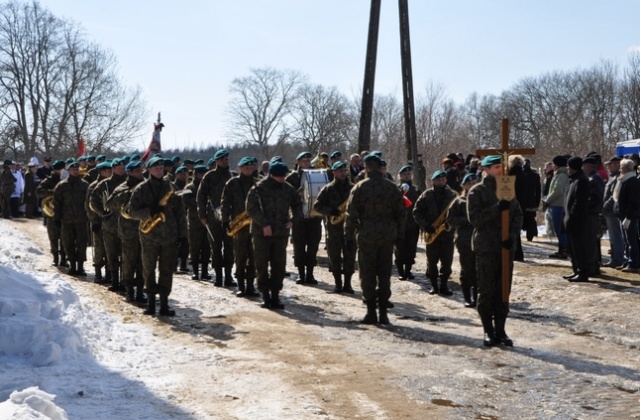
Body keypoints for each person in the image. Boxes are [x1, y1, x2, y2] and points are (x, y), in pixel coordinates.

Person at [467, 155, 523, 347]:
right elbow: (475, 219)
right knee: (486, 289)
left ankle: (501, 329)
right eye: (496, 167)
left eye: (502, 166)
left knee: (503, 290)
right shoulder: (477, 191)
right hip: (487, 248)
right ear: (486, 169)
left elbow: (517, 216)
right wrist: (496, 208)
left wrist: (512, 237)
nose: (500, 170)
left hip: (505, 248)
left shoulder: (506, 188)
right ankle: (488, 330)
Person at [345, 154, 406, 325]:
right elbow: (401, 214)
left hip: (367, 237)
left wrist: (348, 235)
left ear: (366, 168)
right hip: (387, 238)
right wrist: (400, 236)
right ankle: (384, 314)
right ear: (380, 167)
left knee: (367, 273)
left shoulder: (359, 187)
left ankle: (371, 312)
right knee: (385, 273)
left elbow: (351, 215)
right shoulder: (392, 188)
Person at [127, 156, 188, 316]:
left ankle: (164, 304)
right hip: (149, 237)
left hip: (170, 236)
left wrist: (183, 235)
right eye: (156, 168)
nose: (159, 170)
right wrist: (149, 211)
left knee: (166, 270)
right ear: (148, 170)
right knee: (148, 269)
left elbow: (180, 213)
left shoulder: (171, 187)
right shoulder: (141, 189)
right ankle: (151, 303)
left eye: (161, 168)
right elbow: (131, 211)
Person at [246, 160, 302, 309]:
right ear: (271, 175)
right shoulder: (258, 188)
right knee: (262, 265)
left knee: (279, 265)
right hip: (261, 233)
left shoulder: (288, 188)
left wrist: (292, 221)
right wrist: (264, 224)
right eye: (279, 177)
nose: (282, 179)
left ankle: (276, 296)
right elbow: (251, 209)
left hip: (280, 233)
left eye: (284, 176)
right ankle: (265, 295)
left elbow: (297, 206)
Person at [107, 160, 147, 303]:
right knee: (129, 261)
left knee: (143, 262)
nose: (140, 173)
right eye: (136, 171)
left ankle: (141, 290)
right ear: (129, 172)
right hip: (128, 230)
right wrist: (130, 193)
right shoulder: (122, 188)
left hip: (146, 229)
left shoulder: (147, 186)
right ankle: (129, 291)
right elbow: (109, 204)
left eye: (140, 170)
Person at [413, 170, 458, 296]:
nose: (441, 182)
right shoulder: (426, 195)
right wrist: (426, 225)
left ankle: (444, 285)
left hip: (447, 234)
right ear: (433, 181)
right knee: (432, 261)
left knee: (447, 261)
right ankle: (434, 285)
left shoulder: (453, 195)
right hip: (432, 234)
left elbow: (459, 213)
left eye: (443, 179)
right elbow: (416, 212)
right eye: (438, 180)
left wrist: (451, 224)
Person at [313, 160, 356, 293]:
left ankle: (347, 284)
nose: (343, 173)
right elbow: (317, 206)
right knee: (334, 256)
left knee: (350, 255)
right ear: (334, 173)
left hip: (350, 228)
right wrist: (330, 210)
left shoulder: (353, 188)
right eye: (340, 171)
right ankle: (338, 283)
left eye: (344, 170)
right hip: (334, 228)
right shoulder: (328, 189)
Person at [221, 157, 260, 297]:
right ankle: (241, 286)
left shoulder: (258, 183)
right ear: (240, 168)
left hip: (255, 224)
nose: (249, 170)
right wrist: (225, 220)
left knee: (253, 255)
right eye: (246, 168)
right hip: (239, 225)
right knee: (240, 255)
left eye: (251, 168)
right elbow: (225, 202)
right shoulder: (232, 183)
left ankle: (251, 285)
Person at [197, 149, 237, 287]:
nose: (226, 161)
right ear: (217, 161)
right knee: (215, 246)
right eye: (223, 159)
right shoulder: (209, 176)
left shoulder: (233, 176)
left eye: (227, 159)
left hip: (229, 217)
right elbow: (201, 196)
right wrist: (202, 215)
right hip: (213, 217)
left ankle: (228, 276)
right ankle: (218, 276)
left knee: (229, 246)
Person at [90, 158, 127, 291]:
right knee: (111, 254)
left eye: (123, 167)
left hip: (127, 227)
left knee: (126, 255)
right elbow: (93, 201)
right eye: (118, 167)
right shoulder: (104, 185)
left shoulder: (130, 183)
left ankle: (125, 282)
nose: (121, 169)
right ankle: (114, 280)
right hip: (110, 225)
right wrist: (101, 213)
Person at [286, 151, 323, 285]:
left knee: (313, 246)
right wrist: (298, 194)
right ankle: (301, 275)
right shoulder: (292, 177)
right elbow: (285, 196)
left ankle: (310, 274)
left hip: (314, 217)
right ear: (298, 162)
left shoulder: (317, 175)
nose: (306, 163)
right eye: (303, 161)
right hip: (299, 218)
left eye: (308, 161)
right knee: (299, 247)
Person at [447, 173, 478, 308]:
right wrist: (466, 221)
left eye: (474, 183)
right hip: (465, 240)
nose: (471, 185)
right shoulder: (459, 202)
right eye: (469, 183)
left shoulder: (481, 200)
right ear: (463, 185)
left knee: (479, 270)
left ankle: (477, 298)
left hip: (480, 240)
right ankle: (467, 297)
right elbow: (450, 220)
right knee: (467, 269)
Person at [53, 161, 90, 276]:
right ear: (68, 171)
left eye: (77, 169)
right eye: (73, 169)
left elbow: (88, 202)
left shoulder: (84, 185)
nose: (75, 171)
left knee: (81, 244)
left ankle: (81, 267)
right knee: (68, 244)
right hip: (66, 220)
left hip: (81, 220)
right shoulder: (62, 185)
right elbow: (57, 203)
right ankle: (72, 266)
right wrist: (57, 218)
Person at [562, 157, 591, 282]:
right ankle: (576, 270)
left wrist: (572, 216)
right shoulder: (572, 179)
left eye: (569, 166)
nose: (567, 168)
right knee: (573, 248)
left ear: (573, 167)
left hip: (577, 220)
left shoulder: (581, 180)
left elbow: (579, 202)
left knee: (580, 247)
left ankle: (583, 272)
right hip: (570, 219)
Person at [36, 160, 67, 267]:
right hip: (52, 212)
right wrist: (52, 192)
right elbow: (39, 191)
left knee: (64, 236)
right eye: (63, 168)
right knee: (53, 236)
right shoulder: (49, 180)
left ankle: (64, 258)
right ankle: (55, 258)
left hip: (65, 212)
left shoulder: (67, 180)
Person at [85, 161, 112, 283]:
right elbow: (89, 206)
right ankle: (98, 273)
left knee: (110, 248)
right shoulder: (94, 186)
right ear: (102, 172)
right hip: (98, 221)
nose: (110, 172)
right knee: (99, 247)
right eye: (108, 171)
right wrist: (94, 221)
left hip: (110, 222)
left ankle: (109, 273)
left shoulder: (111, 184)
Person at [183, 165, 211, 280]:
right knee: (195, 247)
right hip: (194, 222)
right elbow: (186, 202)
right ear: (196, 174)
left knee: (206, 247)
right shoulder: (189, 187)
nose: (203, 176)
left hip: (207, 221)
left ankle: (204, 271)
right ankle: (195, 271)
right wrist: (200, 203)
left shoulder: (208, 187)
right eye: (201, 174)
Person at [393, 164, 421, 280]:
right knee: (399, 248)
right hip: (399, 224)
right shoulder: (395, 189)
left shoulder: (416, 189)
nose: (407, 176)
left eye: (409, 174)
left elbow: (420, 206)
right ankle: (400, 271)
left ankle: (408, 271)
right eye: (404, 174)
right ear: (400, 176)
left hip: (412, 224)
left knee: (411, 247)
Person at [614, 158, 640, 272]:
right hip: (622, 215)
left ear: (628, 168)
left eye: (622, 167)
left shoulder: (633, 181)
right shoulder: (624, 180)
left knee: (632, 241)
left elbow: (633, 202)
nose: (620, 169)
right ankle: (627, 260)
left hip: (630, 217)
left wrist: (629, 218)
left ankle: (633, 263)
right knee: (626, 241)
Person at [543, 155, 570, 259]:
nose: (552, 165)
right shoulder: (559, 174)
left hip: (558, 205)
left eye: (554, 164)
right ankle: (561, 249)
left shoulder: (562, 176)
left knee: (560, 229)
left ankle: (563, 251)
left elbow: (557, 191)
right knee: (558, 229)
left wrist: (548, 199)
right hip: (557, 205)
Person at [601, 156, 624, 268]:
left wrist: (605, 206)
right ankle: (615, 258)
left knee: (616, 236)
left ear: (616, 165)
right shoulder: (613, 177)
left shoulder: (617, 178)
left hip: (612, 212)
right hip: (608, 211)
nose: (608, 167)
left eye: (610, 165)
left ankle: (617, 259)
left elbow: (614, 195)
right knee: (613, 236)